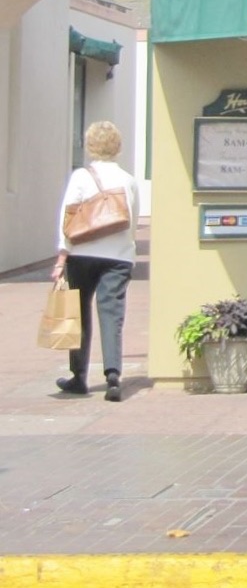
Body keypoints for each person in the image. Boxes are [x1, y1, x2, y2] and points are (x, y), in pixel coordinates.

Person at [50, 121, 140, 401]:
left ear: (90, 146)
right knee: (111, 314)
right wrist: (127, 250)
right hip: (118, 257)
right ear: (117, 146)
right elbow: (133, 223)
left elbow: (68, 217)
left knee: (79, 313)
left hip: (82, 254)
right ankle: (113, 375)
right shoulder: (128, 180)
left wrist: (62, 255)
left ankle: (79, 377)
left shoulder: (81, 176)